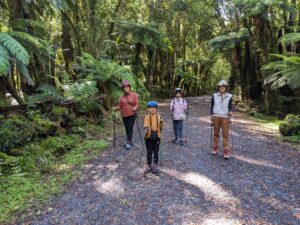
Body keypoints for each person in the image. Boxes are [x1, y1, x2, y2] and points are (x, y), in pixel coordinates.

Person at [210, 80, 233, 159]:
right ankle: (215, 148)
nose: (222, 87)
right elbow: (212, 106)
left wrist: (230, 112)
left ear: (226, 87)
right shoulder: (214, 95)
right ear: (218, 87)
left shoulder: (230, 96)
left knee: (225, 135)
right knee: (216, 133)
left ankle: (226, 151)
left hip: (225, 117)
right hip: (216, 116)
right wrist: (211, 115)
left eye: (224, 86)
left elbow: (230, 107)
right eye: (220, 86)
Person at [114, 80, 139, 150]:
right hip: (124, 115)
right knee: (127, 128)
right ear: (123, 88)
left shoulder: (133, 94)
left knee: (130, 127)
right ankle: (130, 141)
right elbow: (119, 106)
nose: (126, 88)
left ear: (129, 87)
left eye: (127, 86)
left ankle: (128, 141)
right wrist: (115, 108)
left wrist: (135, 108)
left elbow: (137, 104)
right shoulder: (121, 97)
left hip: (132, 114)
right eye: (124, 87)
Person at [144, 101, 164, 173]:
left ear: (156, 109)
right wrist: (147, 129)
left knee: (156, 151)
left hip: (157, 136)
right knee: (149, 151)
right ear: (148, 109)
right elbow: (146, 125)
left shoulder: (159, 117)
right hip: (149, 137)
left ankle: (155, 164)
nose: (153, 109)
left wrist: (161, 122)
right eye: (151, 108)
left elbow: (161, 127)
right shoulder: (147, 117)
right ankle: (148, 165)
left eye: (154, 108)